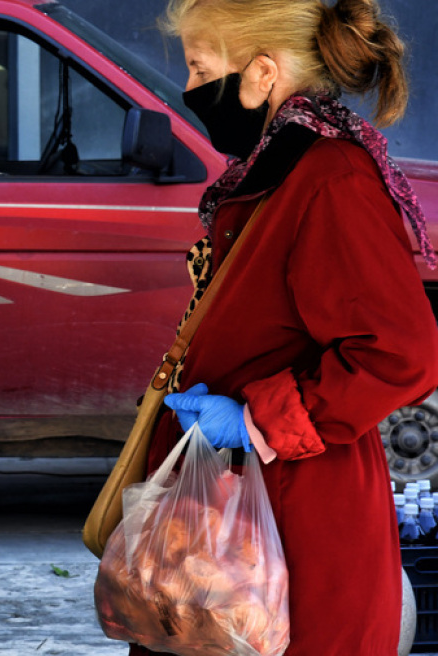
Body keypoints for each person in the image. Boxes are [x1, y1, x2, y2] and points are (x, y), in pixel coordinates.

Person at [131, 0, 438, 654]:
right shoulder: (277, 170)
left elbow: (400, 351)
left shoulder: (330, 180)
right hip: (236, 512)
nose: (188, 88)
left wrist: (254, 421)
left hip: (295, 520)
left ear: (262, 73)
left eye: (199, 67)